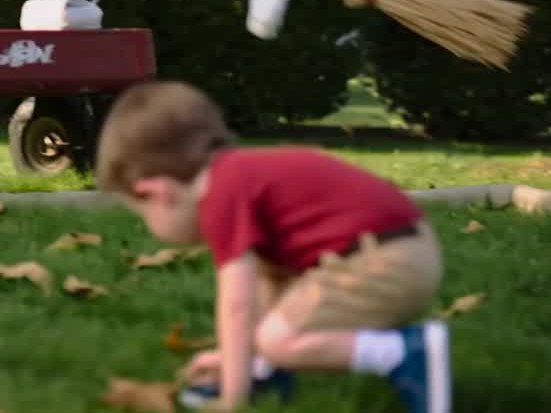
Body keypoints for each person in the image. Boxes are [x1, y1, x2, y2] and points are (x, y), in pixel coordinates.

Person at [94, 80, 451, 413]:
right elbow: (262, 293)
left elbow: (237, 306)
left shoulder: (220, 194)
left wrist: (231, 399)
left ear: (157, 193)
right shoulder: (238, 175)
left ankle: (404, 353)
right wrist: (234, 359)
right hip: (399, 247)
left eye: (142, 213)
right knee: (272, 282)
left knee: (279, 338)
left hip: (386, 261)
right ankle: (264, 372)